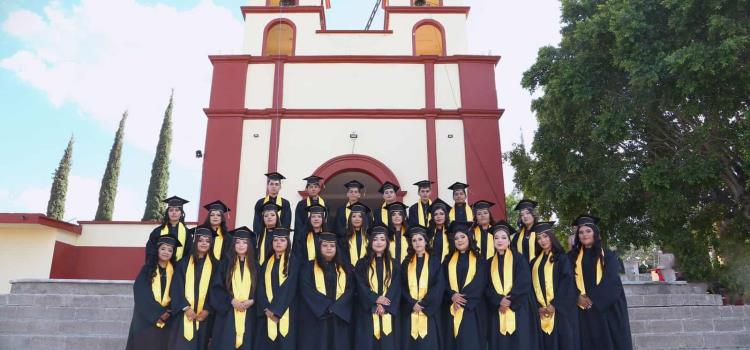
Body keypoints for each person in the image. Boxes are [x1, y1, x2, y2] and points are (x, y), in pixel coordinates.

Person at [570, 215, 632, 350]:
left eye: (588, 231)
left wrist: (592, 298)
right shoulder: (571, 257)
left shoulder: (608, 255)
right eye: (581, 232)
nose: (584, 235)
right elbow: (566, 281)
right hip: (582, 311)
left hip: (606, 309)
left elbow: (612, 282)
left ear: (595, 233)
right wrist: (577, 297)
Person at [485, 221, 540, 350]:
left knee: (520, 342)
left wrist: (509, 301)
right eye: (496, 238)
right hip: (498, 309)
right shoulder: (487, 263)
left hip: (519, 307)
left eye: (504, 237)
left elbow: (524, 282)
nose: (500, 241)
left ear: (509, 241)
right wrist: (499, 300)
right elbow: (486, 287)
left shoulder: (519, 259)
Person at [297, 232, 355, 350]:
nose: (329, 248)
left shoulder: (345, 268)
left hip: (339, 317)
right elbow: (306, 289)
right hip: (316, 317)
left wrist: (337, 307)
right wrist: (327, 306)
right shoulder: (308, 267)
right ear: (319, 247)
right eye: (325, 245)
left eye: (332, 246)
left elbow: (350, 290)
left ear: (336, 248)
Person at [126, 234, 181, 350]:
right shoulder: (147, 269)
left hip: (167, 319)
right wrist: (159, 313)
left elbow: (178, 292)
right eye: (163, 249)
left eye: (170, 250)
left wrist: (169, 312)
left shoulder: (176, 271)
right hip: (145, 319)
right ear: (157, 250)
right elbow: (141, 293)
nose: (166, 252)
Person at [530, 221, 579, 350]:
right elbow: (531, 287)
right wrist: (537, 307)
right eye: (539, 238)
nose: (542, 241)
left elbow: (568, 284)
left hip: (560, 312)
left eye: (545, 236)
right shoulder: (534, 263)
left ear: (551, 237)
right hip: (542, 312)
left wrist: (555, 304)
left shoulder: (562, 259)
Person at [209, 226, 258, 350]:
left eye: (244, 242)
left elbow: (262, 289)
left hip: (249, 313)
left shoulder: (256, 266)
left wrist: (253, 300)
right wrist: (231, 300)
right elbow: (216, 288)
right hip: (228, 313)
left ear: (249, 245)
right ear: (233, 244)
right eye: (237, 242)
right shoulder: (225, 264)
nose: (241, 245)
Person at [168, 228, 217, 350]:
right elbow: (176, 287)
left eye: (207, 241)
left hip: (204, 316)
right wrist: (186, 307)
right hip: (183, 314)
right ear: (195, 242)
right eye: (200, 240)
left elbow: (216, 290)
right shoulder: (183, 263)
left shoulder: (217, 266)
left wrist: (207, 309)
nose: (204, 243)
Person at [354, 225, 401, 350]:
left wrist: (384, 304)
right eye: (375, 239)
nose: (379, 242)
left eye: (382, 239)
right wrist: (375, 300)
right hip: (368, 312)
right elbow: (360, 286)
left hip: (388, 312)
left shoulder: (395, 263)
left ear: (387, 242)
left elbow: (397, 286)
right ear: (370, 242)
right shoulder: (362, 263)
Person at [442, 221, 487, 350]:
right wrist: (452, 295)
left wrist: (461, 299)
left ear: (469, 237)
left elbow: (480, 282)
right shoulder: (448, 260)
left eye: (462, 237)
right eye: (456, 238)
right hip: (452, 307)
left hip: (472, 309)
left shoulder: (479, 259)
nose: (459, 240)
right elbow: (443, 281)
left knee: (469, 342)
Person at [400, 226, 445, 350]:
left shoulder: (435, 261)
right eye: (414, 240)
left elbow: (439, 286)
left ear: (426, 241)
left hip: (429, 311)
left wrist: (423, 303)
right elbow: (402, 286)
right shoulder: (406, 262)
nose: (417, 243)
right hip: (411, 310)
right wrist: (412, 303)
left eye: (420, 239)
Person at [255, 227, 298, 350]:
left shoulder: (293, 261)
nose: (278, 243)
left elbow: (290, 287)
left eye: (282, 240)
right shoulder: (266, 263)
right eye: (276, 240)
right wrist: (266, 308)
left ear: (288, 243)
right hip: (267, 313)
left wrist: (276, 310)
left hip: (286, 312)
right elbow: (260, 287)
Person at [146, 196, 191, 263]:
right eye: (171, 210)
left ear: (181, 213)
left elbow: (189, 253)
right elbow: (150, 250)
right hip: (160, 268)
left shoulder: (187, 233)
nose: (174, 213)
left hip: (179, 269)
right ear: (167, 212)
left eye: (177, 210)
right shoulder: (157, 231)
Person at [340, 202, 371, 268]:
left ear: (364, 219)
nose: (357, 219)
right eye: (354, 216)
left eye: (360, 216)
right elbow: (343, 258)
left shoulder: (370, 238)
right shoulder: (343, 238)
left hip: (367, 272)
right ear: (350, 219)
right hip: (349, 272)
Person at [511, 199, 542, 263]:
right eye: (522, 215)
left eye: (527, 213)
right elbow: (512, 251)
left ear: (533, 214)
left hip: (538, 268)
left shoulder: (541, 231)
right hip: (522, 270)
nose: (525, 216)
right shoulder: (518, 235)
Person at [427, 198, 452, 263]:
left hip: (447, 266)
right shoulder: (428, 233)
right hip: (431, 267)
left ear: (446, 216)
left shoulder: (451, 232)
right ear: (432, 217)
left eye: (441, 214)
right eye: (435, 214)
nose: (438, 216)